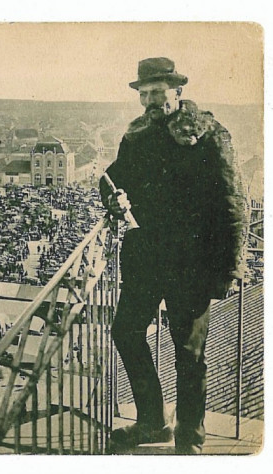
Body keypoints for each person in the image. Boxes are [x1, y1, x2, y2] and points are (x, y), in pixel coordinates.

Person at [101, 58, 246, 455]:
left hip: (193, 265)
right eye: (143, 94)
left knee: (188, 355)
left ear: (177, 91)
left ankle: (189, 441)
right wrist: (111, 196)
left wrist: (228, 270)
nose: (149, 101)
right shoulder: (137, 137)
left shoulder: (209, 135)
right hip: (147, 259)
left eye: (156, 93)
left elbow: (233, 204)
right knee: (126, 332)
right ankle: (151, 422)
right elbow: (113, 177)